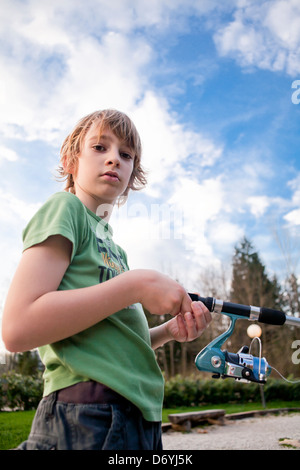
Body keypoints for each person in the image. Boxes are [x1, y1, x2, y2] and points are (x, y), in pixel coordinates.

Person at [2, 109, 212, 450]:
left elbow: (115, 333)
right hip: (88, 413)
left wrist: (167, 333)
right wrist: (136, 284)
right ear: (72, 160)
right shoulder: (66, 209)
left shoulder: (115, 250)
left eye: (126, 155)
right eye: (100, 147)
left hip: (140, 418)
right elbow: (17, 328)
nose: (114, 159)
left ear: (133, 173)